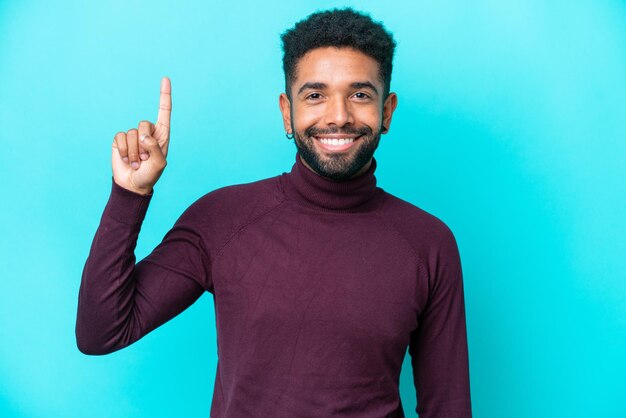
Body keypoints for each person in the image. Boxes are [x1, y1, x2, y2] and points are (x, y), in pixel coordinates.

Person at [76, 8, 472, 418]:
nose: (338, 115)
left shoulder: (428, 243)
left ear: (386, 111)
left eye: (359, 94)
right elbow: (102, 331)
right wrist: (129, 195)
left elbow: (448, 405)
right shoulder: (222, 218)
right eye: (315, 95)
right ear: (287, 112)